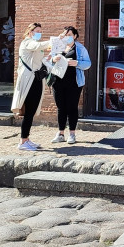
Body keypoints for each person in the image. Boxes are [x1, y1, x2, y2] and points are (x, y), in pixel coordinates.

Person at [10, 22, 51, 151]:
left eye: (40, 31)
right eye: (36, 31)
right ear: (30, 32)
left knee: (32, 110)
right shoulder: (27, 42)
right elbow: (38, 46)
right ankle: (22, 141)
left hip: (36, 79)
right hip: (29, 81)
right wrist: (54, 41)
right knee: (28, 111)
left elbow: (39, 59)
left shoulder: (35, 45)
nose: (39, 33)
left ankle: (26, 138)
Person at [49, 26, 91, 144]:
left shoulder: (80, 48)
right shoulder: (58, 46)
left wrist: (76, 63)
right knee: (61, 107)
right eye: (65, 35)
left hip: (74, 82)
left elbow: (88, 64)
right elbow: (48, 60)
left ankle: (72, 134)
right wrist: (53, 59)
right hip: (58, 81)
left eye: (70, 35)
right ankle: (61, 133)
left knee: (72, 107)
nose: (67, 37)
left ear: (75, 36)